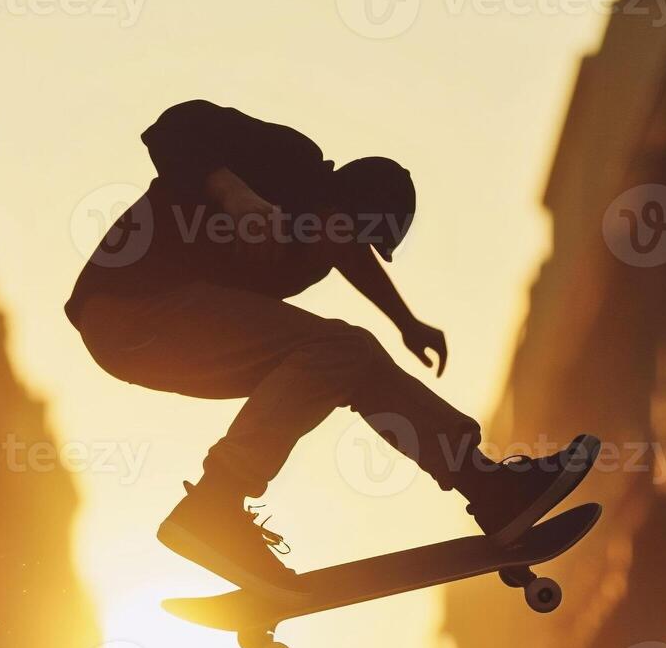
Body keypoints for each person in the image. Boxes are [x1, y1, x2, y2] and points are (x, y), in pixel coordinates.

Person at [66, 100, 599, 593]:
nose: (336, 250)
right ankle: (215, 505)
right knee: (341, 348)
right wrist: (234, 192)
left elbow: (347, 250)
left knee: (351, 360)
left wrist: (405, 321)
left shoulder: (323, 244)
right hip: (129, 303)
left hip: (154, 336)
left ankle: (489, 489)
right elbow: (177, 123)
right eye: (346, 230)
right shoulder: (289, 161)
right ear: (335, 200)